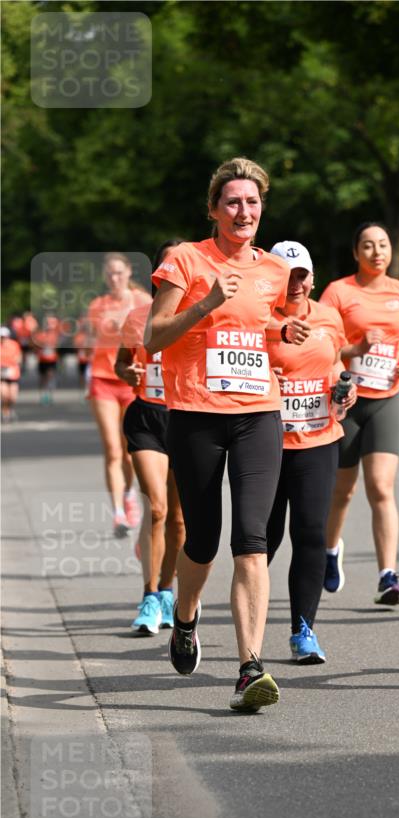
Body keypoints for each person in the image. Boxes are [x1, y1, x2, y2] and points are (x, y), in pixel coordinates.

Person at [147, 156, 290, 713]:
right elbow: (154, 337)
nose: (243, 211)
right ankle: (185, 615)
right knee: (202, 538)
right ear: (213, 210)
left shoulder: (274, 271)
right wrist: (206, 302)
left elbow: (264, 336)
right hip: (196, 414)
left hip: (259, 412)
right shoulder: (185, 260)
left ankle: (250, 666)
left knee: (252, 540)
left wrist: (287, 334)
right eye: (232, 201)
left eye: (252, 202)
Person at [266, 240, 356, 663]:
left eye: (301, 274)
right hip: (264, 442)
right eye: (286, 276)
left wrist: (344, 388)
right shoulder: (259, 318)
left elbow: (335, 364)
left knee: (311, 534)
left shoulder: (328, 317)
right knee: (262, 537)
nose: (295, 283)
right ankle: (245, 613)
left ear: (312, 277)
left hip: (319, 438)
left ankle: (304, 630)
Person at [320, 223, 399, 605]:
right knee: (343, 490)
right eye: (367, 245)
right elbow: (320, 344)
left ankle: (387, 575)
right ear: (355, 253)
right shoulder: (339, 292)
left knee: (381, 486)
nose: (376, 252)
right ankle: (330, 551)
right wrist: (356, 347)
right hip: (348, 400)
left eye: (383, 245)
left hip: (387, 398)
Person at [115, 239, 186, 635]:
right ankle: (149, 595)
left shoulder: (198, 316)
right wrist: (129, 374)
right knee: (156, 507)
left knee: (178, 517)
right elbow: (122, 362)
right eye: (167, 264)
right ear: (157, 272)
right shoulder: (137, 317)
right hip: (146, 417)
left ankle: (166, 591)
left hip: (188, 419)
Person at [86, 253, 150, 537]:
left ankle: (129, 495)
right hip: (103, 380)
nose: (115, 278)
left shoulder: (143, 300)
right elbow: (94, 343)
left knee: (128, 452)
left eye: (119, 273)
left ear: (127, 272)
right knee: (112, 449)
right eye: (110, 274)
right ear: (105, 277)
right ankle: (119, 514)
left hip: (132, 380)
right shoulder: (97, 306)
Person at [31, 313, 61, 404]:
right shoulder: (40, 334)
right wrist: (39, 348)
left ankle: (50, 395)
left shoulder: (55, 334)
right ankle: (42, 395)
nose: (49, 325)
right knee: (42, 378)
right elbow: (34, 346)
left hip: (52, 359)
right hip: (42, 359)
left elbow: (58, 346)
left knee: (50, 375)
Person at [0, 327, 22, 421]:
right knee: (4, 395)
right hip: (2, 375)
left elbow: (19, 357)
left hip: (13, 373)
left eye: (4, 337)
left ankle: (10, 409)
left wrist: (13, 363)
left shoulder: (14, 345)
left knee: (13, 397)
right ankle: (5, 412)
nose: (3, 339)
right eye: (1, 337)